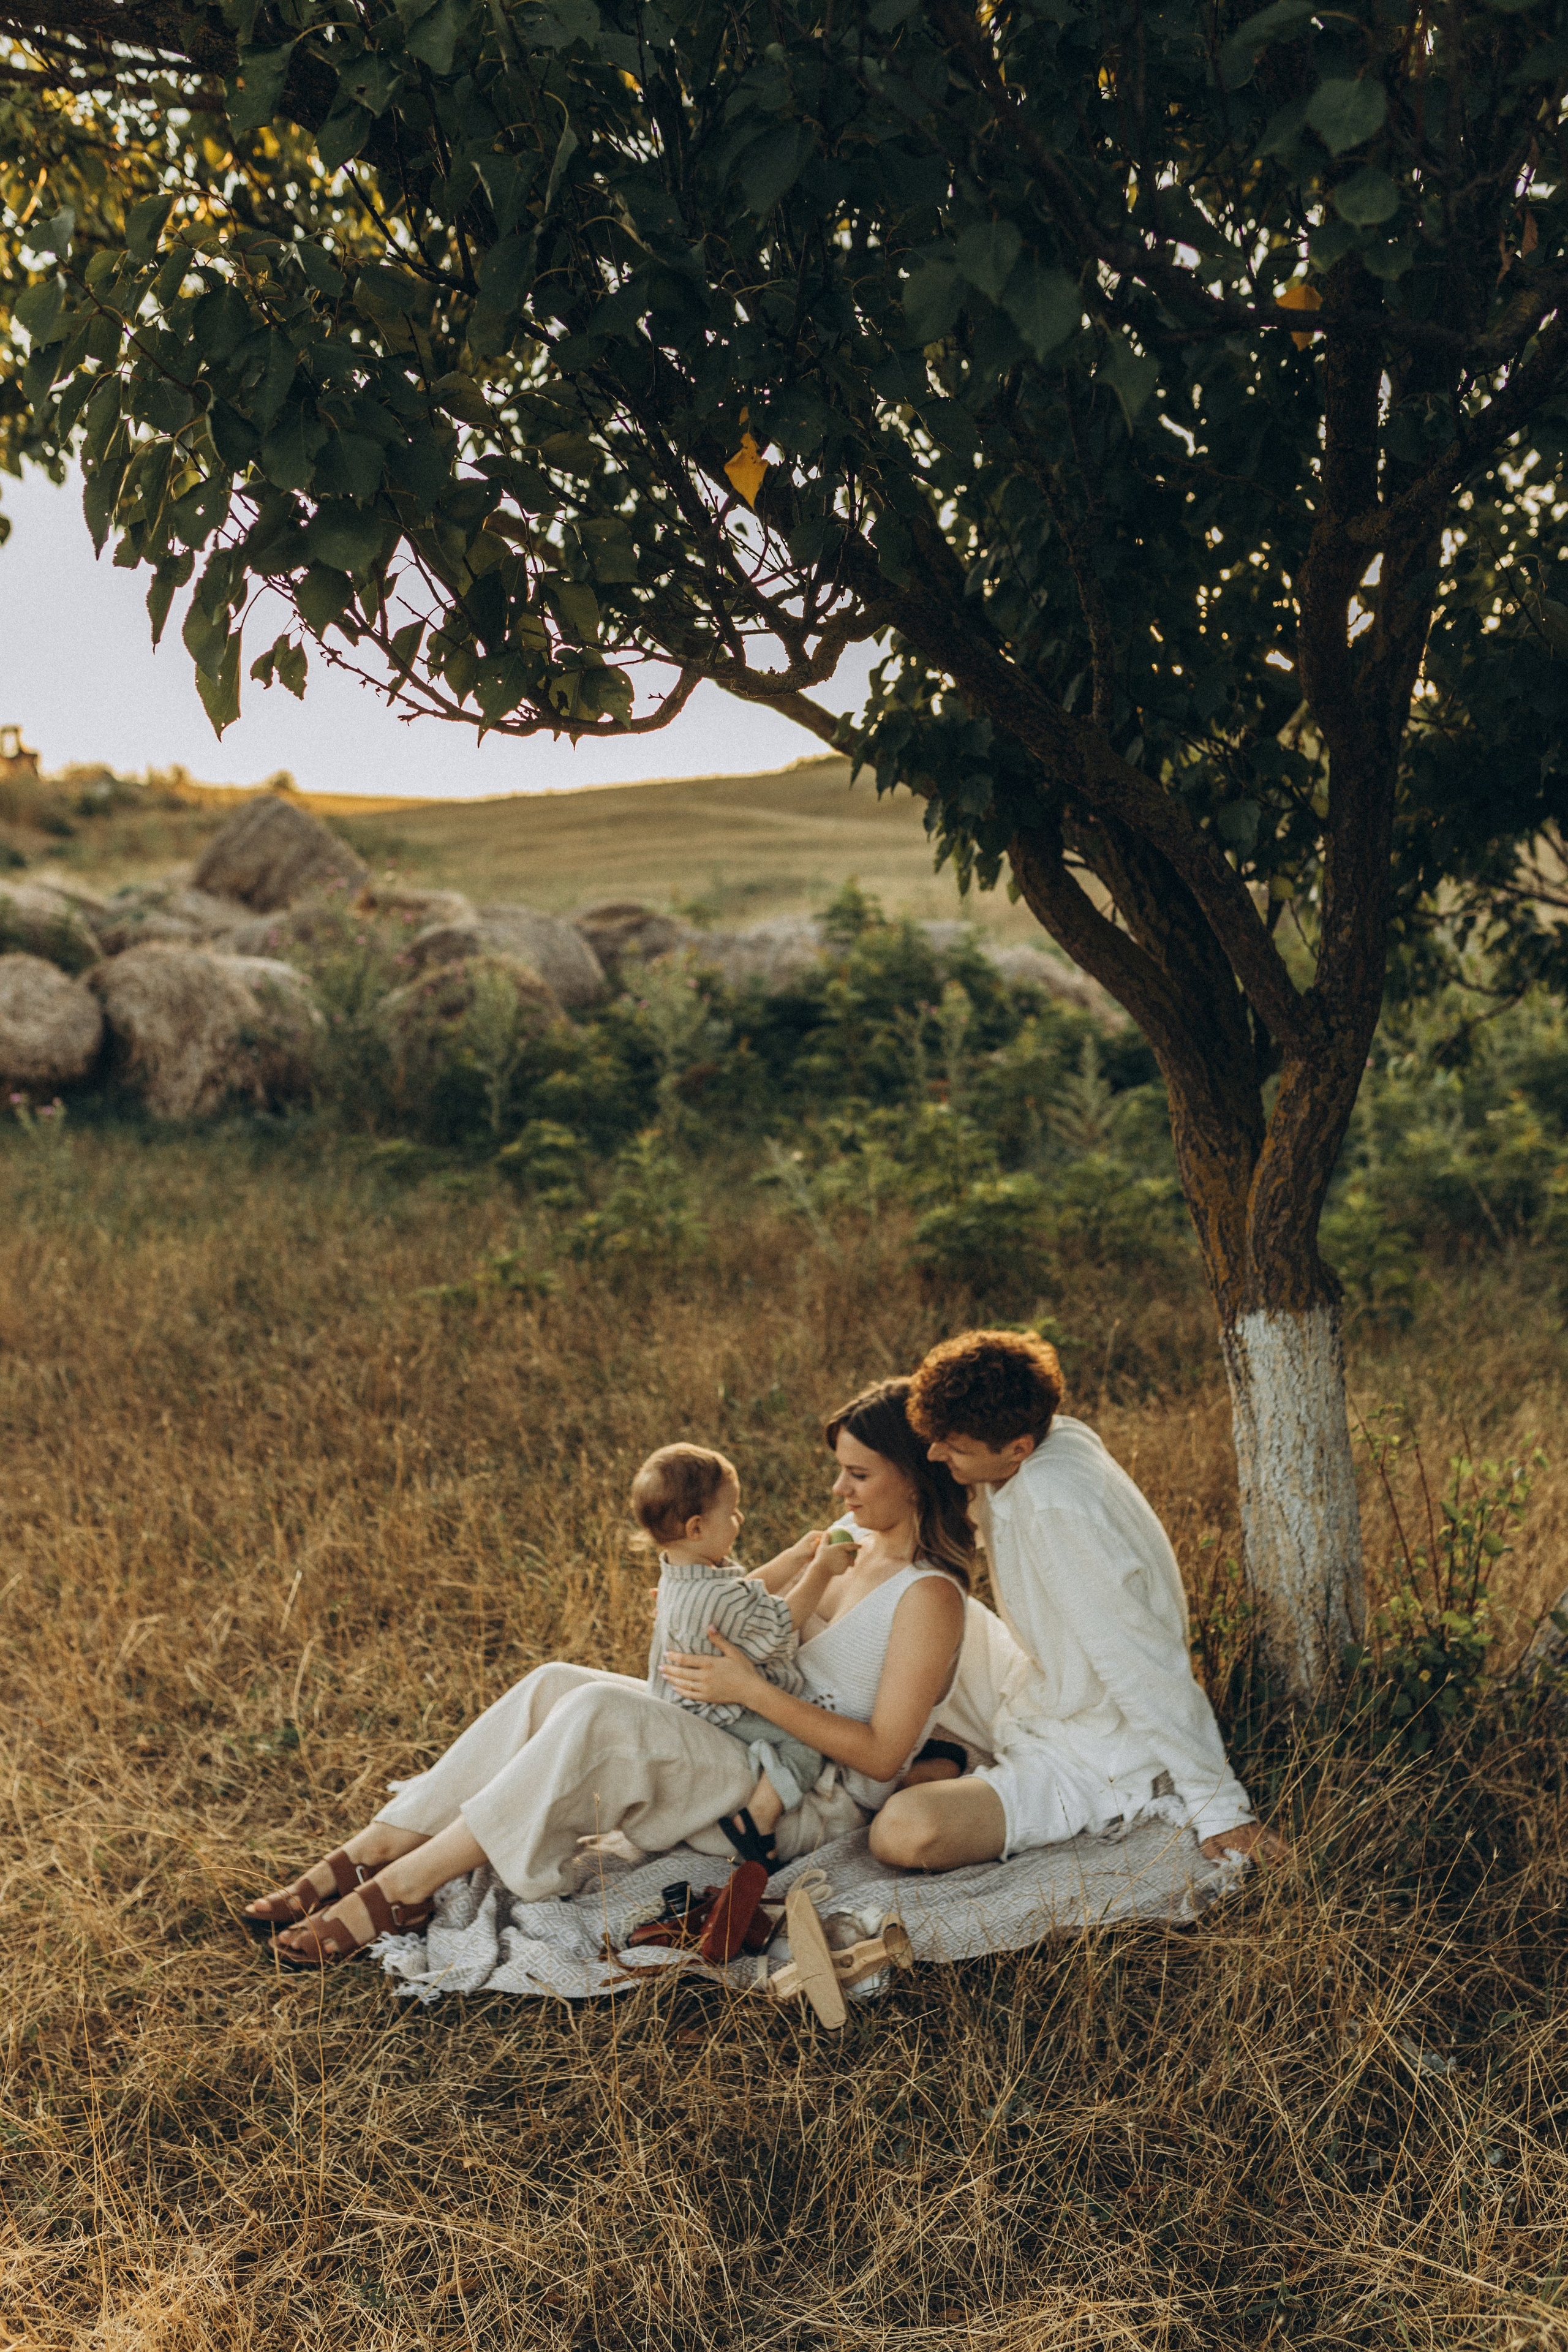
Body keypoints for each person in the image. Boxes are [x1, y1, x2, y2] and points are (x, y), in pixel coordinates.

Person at [245, 1379, 969, 1966]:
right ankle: (378, 1844)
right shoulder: (846, 1547)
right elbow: (744, 1608)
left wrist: (749, 1690)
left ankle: (406, 1884)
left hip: (793, 1793)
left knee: (599, 1715)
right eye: (840, 1470)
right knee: (556, 1681)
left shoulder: (928, 1596)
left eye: (859, 1474)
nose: (840, 1489)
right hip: (744, 1737)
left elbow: (881, 1754)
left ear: (915, 1477)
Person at [869, 1329, 1283, 1874]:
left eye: (955, 1448)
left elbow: (1140, 1660)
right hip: (1037, 1688)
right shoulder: (1042, 1439)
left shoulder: (1057, 1507)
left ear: (1018, 1448)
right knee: (888, 1603)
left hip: (1098, 1750)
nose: (934, 1453)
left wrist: (1218, 1803)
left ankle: (956, 1766)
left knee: (905, 1831)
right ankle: (952, 1757)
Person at [634, 1440, 845, 1863]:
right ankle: (758, 1820)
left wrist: (793, 1557)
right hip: (718, 1712)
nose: (740, 1519)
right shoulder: (718, 1596)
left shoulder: (682, 1575)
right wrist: (820, 1570)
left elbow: (745, 1594)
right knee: (805, 1745)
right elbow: (782, 1621)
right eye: (731, 1512)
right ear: (696, 1528)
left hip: (684, 1700)